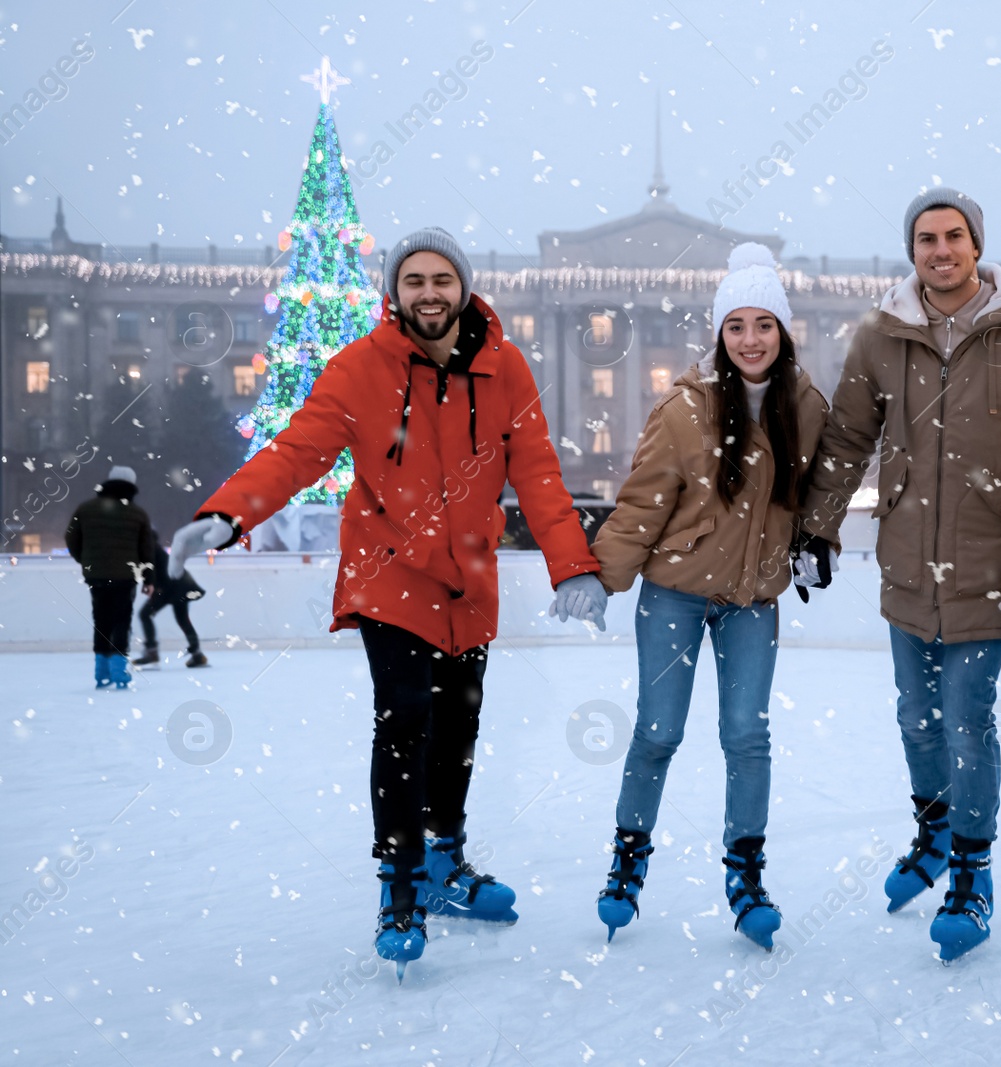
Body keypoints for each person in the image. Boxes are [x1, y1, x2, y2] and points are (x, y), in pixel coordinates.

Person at [166, 227, 609, 980]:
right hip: (388, 568)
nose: (429, 293)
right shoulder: (361, 367)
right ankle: (400, 885)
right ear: (395, 293)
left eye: (442, 279)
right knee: (404, 718)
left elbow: (537, 474)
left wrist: (573, 566)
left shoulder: (505, 369)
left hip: (468, 575)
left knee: (459, 724)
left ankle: (444, 861)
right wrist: (230, 511)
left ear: (462, 287)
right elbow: (298, 449)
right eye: (415, 281)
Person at [794, 189, 1001, 962]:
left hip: (992, 563)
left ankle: (972, 870)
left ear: (978, 244)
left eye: (954, 237)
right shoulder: (883, 334)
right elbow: (849, 436)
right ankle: (936, 830)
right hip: (908, 559)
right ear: (910, 249)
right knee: (915, 714)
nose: (941, 250)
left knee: (965, 715)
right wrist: (818, 524)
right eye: (926, 238)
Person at [589, 244, 828, 949]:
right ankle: (627, 860)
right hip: (675, 596)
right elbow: (639, 506)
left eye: (763, 324)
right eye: (736, 326)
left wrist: (819, 540)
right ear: (719, 333)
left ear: (782, 332)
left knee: (747, 735)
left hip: (754, 600)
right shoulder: (685, 409)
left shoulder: (805, 407)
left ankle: (745, 873)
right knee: (658, 731)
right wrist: (601, 577)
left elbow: (821, 491)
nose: (750, 339)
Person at [64, 464, 154, 689]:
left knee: (101, 619)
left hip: (97, 575)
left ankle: (101, 670)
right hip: (126, 576)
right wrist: (149, 579)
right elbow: (147, 550)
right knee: (122, 621)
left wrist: (85, 560)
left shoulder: (86, 509)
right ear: (131, 487)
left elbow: (70, 538)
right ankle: (118, 670)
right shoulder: (137, 513)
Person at [133, 535, 209, 669]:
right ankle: (197, 654)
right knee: (182, 619)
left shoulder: (146, 546)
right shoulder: (150, 545)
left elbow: (152, 568)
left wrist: (155, 588)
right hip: (179, 584)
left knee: (145, 614)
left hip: (170, 586)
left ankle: (152, 652)